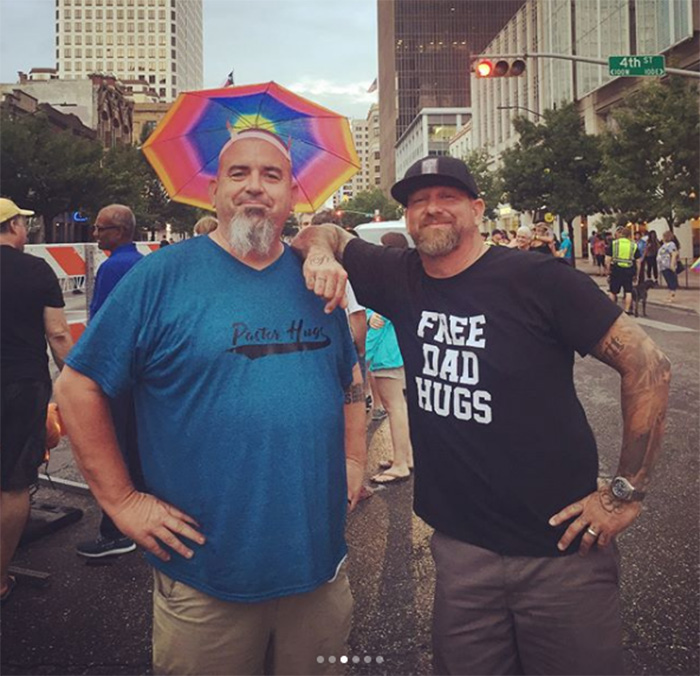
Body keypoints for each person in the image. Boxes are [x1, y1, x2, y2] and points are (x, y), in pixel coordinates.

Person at [292, 155, 671, 676]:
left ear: (477, 208)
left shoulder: (539, 279)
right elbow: (324, 234)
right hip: (460, 553)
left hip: (561, 553)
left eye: (447, 197)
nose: (431, 209)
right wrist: (319, 256)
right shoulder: (399, 275)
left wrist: (625, 491)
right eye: (418, 201)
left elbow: (648, 365)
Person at [55, 128, 366, 675]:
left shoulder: (318, 281)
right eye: (238, 174)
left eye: (271, 175)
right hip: (206, 580)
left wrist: (356, 459)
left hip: (319, 569)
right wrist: (122, 501)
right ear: (214, 190)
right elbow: (77, 386)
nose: (254, 187)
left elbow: (349, 380)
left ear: (291, 193)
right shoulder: (161, 277)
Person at [1, 198, 74, 603]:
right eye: (23, 225)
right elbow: (59, 335)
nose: (26, 232)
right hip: (20, 384)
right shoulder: (35, 270)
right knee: (12, 481)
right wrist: (77, 378)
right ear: (12, 226)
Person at [76, 204, 145, 558]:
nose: (95, 234)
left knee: (114, 447)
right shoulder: (142, 262)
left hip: (118, 373)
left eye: (101, 228)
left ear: (118, 231)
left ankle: (116, 531)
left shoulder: (113, 267)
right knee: (137, 445)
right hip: (143, 375)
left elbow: (102, 326)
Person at [367, 232, 414, 485]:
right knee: (399, 406)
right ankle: (405, 457)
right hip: (397, 348)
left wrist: (366, 354)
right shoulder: (406, 276)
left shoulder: (388, 280)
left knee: (394, 406)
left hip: (387, 352)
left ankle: (400, 463)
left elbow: (377, 320)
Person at [606, 225, 641, 315]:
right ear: (629, 235)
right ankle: (627, 309)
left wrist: (608, 270)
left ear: (621, 234)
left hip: (616, 269)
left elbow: (607, 259)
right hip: (629, 270)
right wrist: (637, 273)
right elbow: (638, 261)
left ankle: (611, 309)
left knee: (613, 291)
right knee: (628, 291)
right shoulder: (633, 245)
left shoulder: (614, 244)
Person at [657, 230, 680, 303]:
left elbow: (674, 254)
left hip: (668, 266)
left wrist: (672, 265)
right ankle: (669, 295)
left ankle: (672, 297)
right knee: (668, 280)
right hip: (664, 266)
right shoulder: (665, 245)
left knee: (671, 281)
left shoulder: (671, 244)